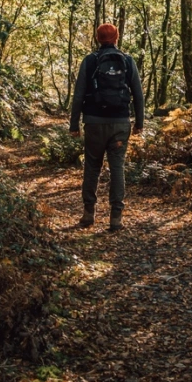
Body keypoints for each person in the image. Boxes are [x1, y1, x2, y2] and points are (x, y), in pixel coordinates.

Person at [69, 23, 144, 231]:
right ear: (117, 37)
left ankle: (88, 214)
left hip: (93, 122)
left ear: (97, 38)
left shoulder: (90, 61)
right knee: (117, 168)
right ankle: (116, 218)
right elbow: (138, 94)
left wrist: (74, 124)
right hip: (120, 123)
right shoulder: (127, 61)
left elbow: (79, 95)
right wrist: (139, 123)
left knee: (92, 167)